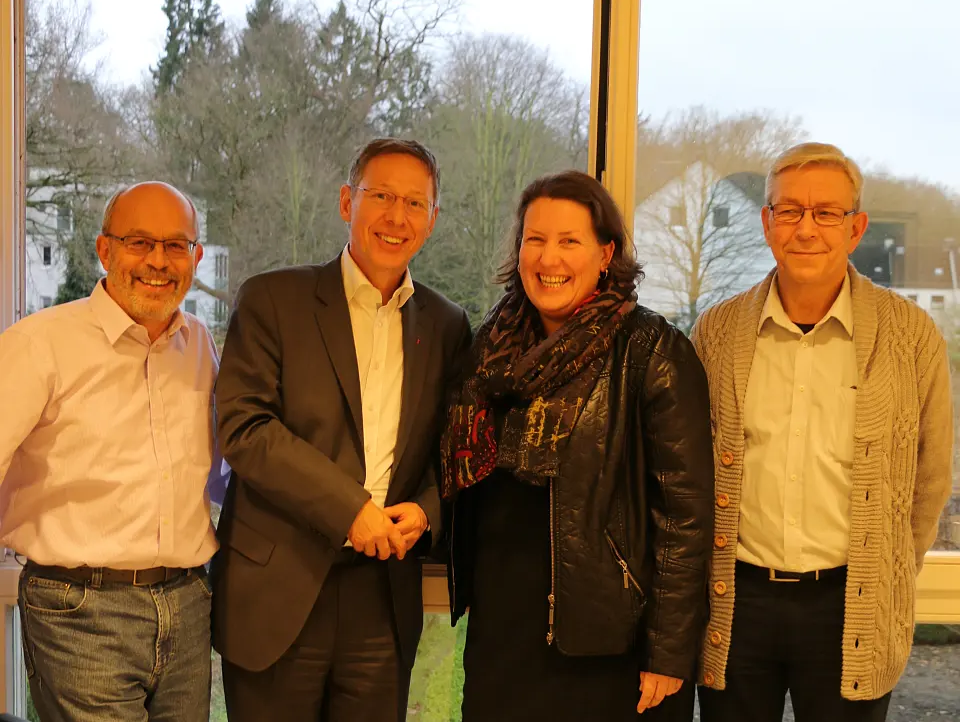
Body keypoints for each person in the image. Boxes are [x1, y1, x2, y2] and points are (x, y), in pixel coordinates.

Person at [693, 142, 954, 722]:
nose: (805, 228)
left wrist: (884, 574)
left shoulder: (911, 337)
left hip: (851, 605)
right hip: (736, 603)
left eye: (826, 213)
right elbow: (690, 472)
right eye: (789, 211)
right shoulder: (717, 333)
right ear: (767, 223)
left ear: (855, 228)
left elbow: (930, 479)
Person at [212, 138, 472, 722]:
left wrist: (428, 509)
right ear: (346, 202)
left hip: (383, 597)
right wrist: (349, 509)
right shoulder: (273, 299)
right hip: (277, 588)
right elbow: (246, 427)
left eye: (414, 203)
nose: (397, 216)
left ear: (432, 220)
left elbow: (456, 450)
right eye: (381, 196)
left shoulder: (447, 324)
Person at [441, 170, 715, 721]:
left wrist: (668, 652)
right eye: (535, 239)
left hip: (609, 640)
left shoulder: (652, 351)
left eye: (570, 241)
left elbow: (685, 519)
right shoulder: (489, 348)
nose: (550, 259)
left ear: (606, 253)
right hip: (502, 629)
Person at [0, 182, 219, 722]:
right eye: (139, 242)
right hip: (79, 609)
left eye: (176, 245)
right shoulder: (39, 343)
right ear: (105, 250)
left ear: (196, 257)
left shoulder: (200, 344)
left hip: (188, 604)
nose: (158, 261)